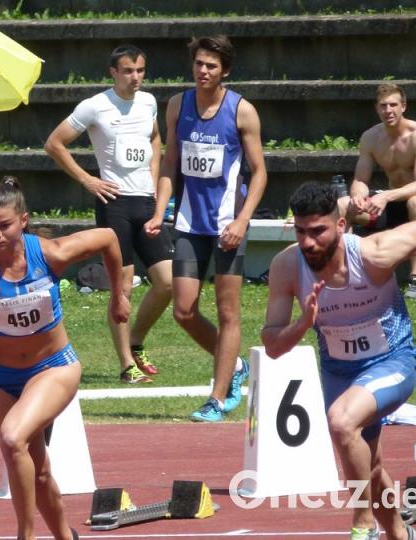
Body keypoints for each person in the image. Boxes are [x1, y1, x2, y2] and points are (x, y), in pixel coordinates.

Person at [0, 179, 128, 540]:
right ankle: (65, 536)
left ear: (23, 220)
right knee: (37, 470)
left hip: (54, 367)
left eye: (4, 225)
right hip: (2, 377)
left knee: (12, 439)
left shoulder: (50, 253)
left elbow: (108, 237)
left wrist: (117, 297)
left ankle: (24, 535)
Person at [262, 182, 416, 540]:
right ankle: (401, 534)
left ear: (340, 226)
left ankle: (362, 522)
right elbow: (273, 347)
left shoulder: (375, 253)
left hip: (393, 363)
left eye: (318, 231)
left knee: (340, 422)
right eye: (301, 231)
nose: (308, 242)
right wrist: (303, 323)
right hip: (340, 372)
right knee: (369, 464)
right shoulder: (287, 266)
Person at [147, 35, 267, 422]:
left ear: (225, 71)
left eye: (211, 66)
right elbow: (169, 163)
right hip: (189, 222)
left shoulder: (241, 111)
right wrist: (158, 209)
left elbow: (260, 171)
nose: (203, 71)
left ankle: (217, 397)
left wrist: (242, 220)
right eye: (198, 63)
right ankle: (233, 365)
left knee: (228, 311)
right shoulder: (177, 105)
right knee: (183, 311)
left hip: (227, 224)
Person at [45, 44, 172, 384]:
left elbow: (155, 138)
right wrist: (88, 180)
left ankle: (136, 340)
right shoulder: (95, 106)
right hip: (114, 203)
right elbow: (54, 143)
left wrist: (154, 179)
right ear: (113, 72)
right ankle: (126, 364)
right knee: (123, 286)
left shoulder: (148, 102)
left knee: (167, 282)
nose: (136, 78)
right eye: (129, 71)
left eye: (141, 70)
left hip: (145, 201)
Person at [338, 83, 416, 300]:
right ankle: (345, 274)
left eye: (393, 105)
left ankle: (415, 280)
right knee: (343, 204)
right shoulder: (370, 137)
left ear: (403, 106)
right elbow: (360, 178)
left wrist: (385, 195)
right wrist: (358, 195)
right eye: (383, 106)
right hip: (394, 202)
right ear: (376, 108)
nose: (389, 111)